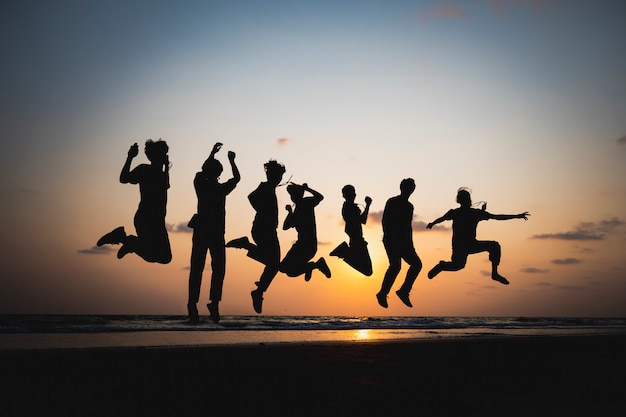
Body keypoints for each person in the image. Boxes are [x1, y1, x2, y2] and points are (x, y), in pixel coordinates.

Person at [426, 187, 530, 285]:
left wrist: (517, 216)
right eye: (467, 199)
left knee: (494, 246)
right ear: (462, 200)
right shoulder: (458, 213)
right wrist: (432, 223)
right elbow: (442, 218)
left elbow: (497, 217)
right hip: (460, 246)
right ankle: (441, 266)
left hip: (470, 244)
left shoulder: (474, 213)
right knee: (458, 266)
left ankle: (494, 274)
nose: (469, 201)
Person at [187, 142, 240, 324]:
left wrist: (215, 155)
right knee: (210, 268)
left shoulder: (204, 184)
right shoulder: (211, 186)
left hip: (210, 231)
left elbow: (235, 179)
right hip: (211, 231)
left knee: (202, 268)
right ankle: (203, 303)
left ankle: (205, 303)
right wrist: (230, 160)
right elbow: (236, 178)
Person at [97, 140, 172, 264]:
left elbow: (165, 185)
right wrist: (130, 157)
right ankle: (126, 240)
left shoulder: (162, 174)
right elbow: (124, 178)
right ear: (157, 156)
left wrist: (165, 168)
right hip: (147, 219)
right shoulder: (145, 170)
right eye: (164, 154)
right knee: (162, 256)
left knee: (164, 257)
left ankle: (126, 240)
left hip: (157, 220)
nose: (166, 156)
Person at [226, 160, 286, 314]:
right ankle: (259, 291)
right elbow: (251, 197)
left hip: (268, 229)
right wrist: (262, 211)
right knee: (274, 264)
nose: (279, 179)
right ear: (270, 175)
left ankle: (259, 291)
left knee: (274, 264)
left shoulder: (270, 188)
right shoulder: (265, 186)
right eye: (277, 176)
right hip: (263, 229)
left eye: (280, 176)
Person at [376, 178, 422, 308]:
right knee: (396, 266)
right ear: (402, 188)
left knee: (416, 264)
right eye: (408, 187)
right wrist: (388, 237)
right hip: (392, 240)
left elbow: (408, 226)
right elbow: (385, 220)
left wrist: (411, 243)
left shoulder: (409, 206)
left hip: (404, 241)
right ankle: (383, 293)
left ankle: (402, 291)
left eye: (412, 187)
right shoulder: (392, 201)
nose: (410, 190)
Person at [279, 183, 331, 281]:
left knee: (286, 269)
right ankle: (311, 266)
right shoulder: (297, 210)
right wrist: (290, 212)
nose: (293, 197)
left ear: (300, 195)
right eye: (292, 196)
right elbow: (285, 227)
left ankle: (312, 266)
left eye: (295, 195)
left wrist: (307, 189)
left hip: (307, 246)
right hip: (301, 246)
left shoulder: (307, 203)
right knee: (285, 269)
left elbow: (320, 197)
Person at [330, 185, 373, 276]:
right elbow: (362, 220)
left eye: (352, 194)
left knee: (368, 270)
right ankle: (344, 252)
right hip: (356, 240)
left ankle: (345, 252)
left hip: (357, 239)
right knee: (368, 271)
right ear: (345, 196)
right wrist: (368, 205)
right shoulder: (349, 207)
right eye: (350, 194)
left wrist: (367, 206)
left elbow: (362, 220)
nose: (352, 196)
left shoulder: (350, 207)